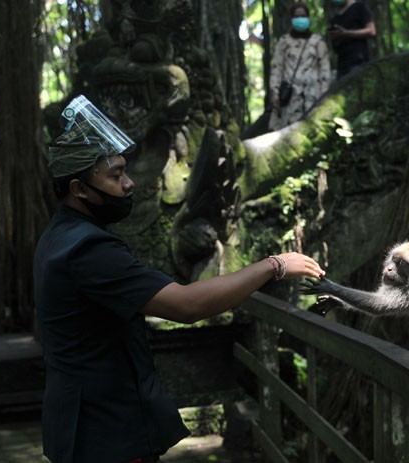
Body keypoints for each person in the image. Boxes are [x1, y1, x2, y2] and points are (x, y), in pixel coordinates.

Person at [34, 95, 324, 463]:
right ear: (78, 189)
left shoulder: (58, 235)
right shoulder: (88, 250)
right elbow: (187, 306)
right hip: (105, 431)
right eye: (115, 175)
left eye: (125, 171)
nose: (129, 184)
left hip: (84, 423)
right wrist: (274, 265)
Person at [269, 2, 331, 131]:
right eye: (297, 16)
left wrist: (324, 94)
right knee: (288, 130)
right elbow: (277, 68)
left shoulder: (317, 42)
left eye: (303, 16)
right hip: (290, 97)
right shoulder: (284, 42)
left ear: (308, 17)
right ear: (291, 19)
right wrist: (275, 92)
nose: (300, 19)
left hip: (313, 95)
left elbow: (324, 70)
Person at [327, 0, 376, 80]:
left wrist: (346, 33)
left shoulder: (359, 7)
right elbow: (336, 49)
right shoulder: (335, 19)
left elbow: (371, 31)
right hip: (342, 66)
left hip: (358, 61)